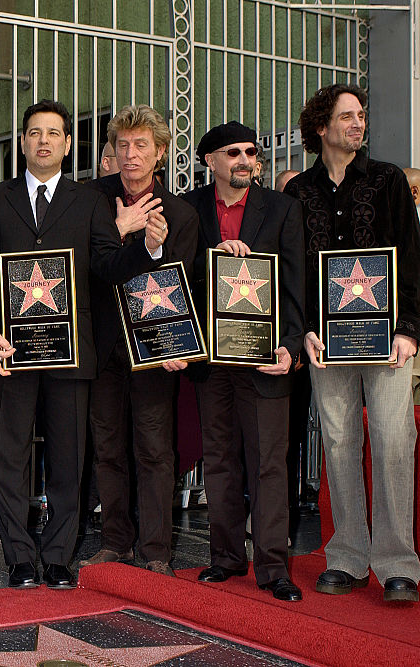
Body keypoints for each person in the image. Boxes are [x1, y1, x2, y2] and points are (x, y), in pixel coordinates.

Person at [284, 83, 420, 604]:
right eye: (346, 117)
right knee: (338, 445)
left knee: (392, 442)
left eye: (361, 116)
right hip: (327, 346)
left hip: (388, 344)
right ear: (321, 127)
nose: (357, 125)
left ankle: (398, 565)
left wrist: (409, 331)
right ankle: (347, 556)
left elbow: (410, 259)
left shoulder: (388, 181)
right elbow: (294, 273)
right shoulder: (298, 193)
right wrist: (305, 332)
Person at [0, 99, 111, 590]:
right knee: (10, 457)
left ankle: (57, 557)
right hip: (10, 354)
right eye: (34, 132)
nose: (44, 140)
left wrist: (146, 247)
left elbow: (107, 268)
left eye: (54, 132)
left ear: (68, 144)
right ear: (23, 142)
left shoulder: (90, 202)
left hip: (70, 355)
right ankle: (20, 559)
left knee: (69, 459)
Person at [175, 121, 306, 601]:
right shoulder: (186, 207)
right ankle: (226, 558)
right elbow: (173, 273)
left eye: (251, 152)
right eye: (233, 153)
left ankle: (273, 567)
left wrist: (291, 345)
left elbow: (296, 282)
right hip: (211, 359)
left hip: (265, 358)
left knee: (269, 462)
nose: (245, 160)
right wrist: (214, 255)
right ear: (210, 161)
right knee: (221, 461)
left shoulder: (283, 209)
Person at [80, 105, 198, 577]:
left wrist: (172, 346)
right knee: (106, 448)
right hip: (102, 347)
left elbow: (182, 283)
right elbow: (91, 269)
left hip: (154, 354)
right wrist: (128, 235)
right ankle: (114, 542)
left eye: (141, 145)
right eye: (122, 145)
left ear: (161, 153)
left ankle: (156, 551)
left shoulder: (182, 214)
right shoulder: (92, 200)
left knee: (154, 450)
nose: (130, 155)